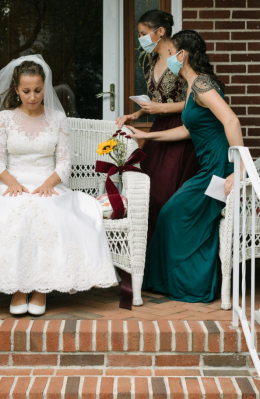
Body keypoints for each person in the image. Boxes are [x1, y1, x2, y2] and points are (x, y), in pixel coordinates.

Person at [0, 56, 117, 316]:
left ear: (44, 88)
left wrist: (49, 183)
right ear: (16, 90)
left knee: (45, 212)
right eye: (26, 91)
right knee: (13, 213)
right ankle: (18, 287)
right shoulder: (4, 119)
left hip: (48, 185)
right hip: (11, 183)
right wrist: (12, 182)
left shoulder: (58, 119)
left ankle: (40, 288)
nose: (32, 97)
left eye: (37, 91)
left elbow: (64, 163)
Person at [126, 30, 242, 303]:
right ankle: (178, 280)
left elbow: (232, 122)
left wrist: (238, 169)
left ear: (182, 55)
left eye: (170, 55)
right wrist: (146, 136)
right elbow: (190, 130)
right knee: (173, 213)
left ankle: (194, 284)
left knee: (176, 213)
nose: (167, 61)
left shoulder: (202, 84)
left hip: (219, 169)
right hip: (207, 166)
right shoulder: (193, 86)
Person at [116, 10, 199, 286]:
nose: (141, 39)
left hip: (182, 130)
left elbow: (195, 101)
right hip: (160, 128)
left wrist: (160, 108)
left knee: (168, 194)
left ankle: (170, 271)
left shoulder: (181, 56)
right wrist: (136, 115)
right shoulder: (151, 59)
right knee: (150, 195)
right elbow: (153, 99)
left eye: (142, 34)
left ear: (160, 32)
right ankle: (148, 269)